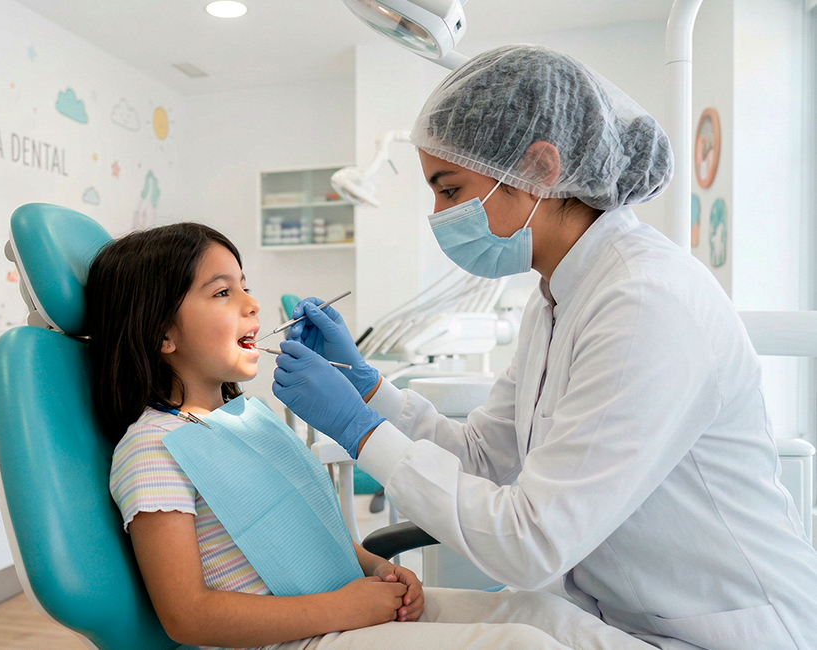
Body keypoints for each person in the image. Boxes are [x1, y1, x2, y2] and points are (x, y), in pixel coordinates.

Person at [272, 45, 817, 650]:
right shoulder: (557, 294)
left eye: (449, 190)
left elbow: (530, 544)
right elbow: (486, 457)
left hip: (728, 633)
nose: (439, 214)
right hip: (627, 615)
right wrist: (369, 389)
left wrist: (360, 432)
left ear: (539, 167)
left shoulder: (642, 302)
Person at [84, 222, 652, 650]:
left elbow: (309, 537)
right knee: (520, 647)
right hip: (297, 639)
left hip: (342, 612)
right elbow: (187, 615)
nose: (252, 303)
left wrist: (373, 570)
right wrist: (346, 608)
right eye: (222, 292)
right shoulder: (152, 449)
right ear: (162, 332)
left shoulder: (250, 420)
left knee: (541, 617)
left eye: (245, 286)